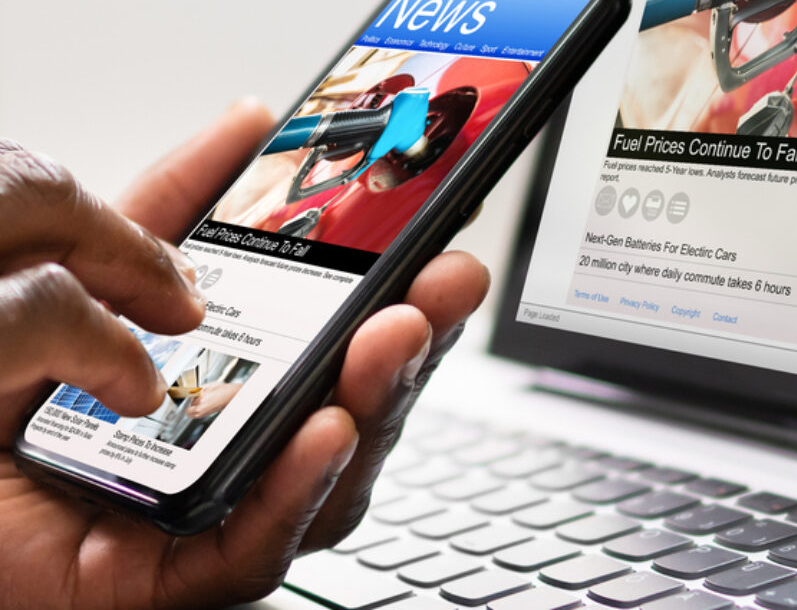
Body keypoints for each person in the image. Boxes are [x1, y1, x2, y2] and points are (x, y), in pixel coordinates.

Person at [0, 98, 489, 609]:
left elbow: (185, 383)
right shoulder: (291, 175)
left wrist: (224, 393)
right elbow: (181, 374)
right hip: (146, 410)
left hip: (165, 413)